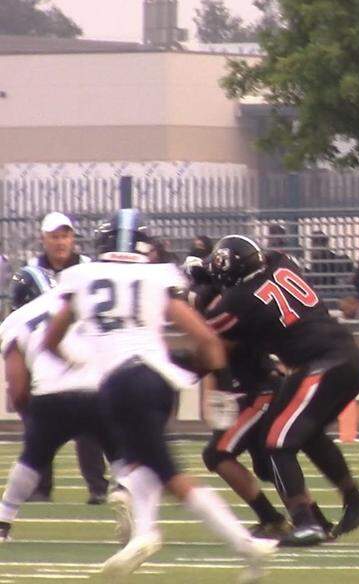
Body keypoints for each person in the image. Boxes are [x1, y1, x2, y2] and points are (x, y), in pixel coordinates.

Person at [41, 210, 276, 579]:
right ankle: (145, 531)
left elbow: (51, 340)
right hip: (157, 379)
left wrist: (78, 364)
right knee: (142, 460)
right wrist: (222, 387)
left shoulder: (84, 277)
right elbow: (207, 339)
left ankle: (247, 547)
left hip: (120, 383)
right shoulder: (156, 276)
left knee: (169, 473)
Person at [205, 235, 359, 546]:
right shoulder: (281, 261)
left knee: (277, 442)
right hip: (347, 356)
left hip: (322, 363)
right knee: (306, 434)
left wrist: (198, 294)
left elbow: (209, 329)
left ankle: (306, 522)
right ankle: (354, 500)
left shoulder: (239, 300)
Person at [0, 267, 119, 542]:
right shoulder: (75, 299)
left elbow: (17, 390)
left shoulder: (15, 320)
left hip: (52, 393)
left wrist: (32, 421)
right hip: (96, 385)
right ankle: (126, 494)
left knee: (31, 461)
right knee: (122, 454)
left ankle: (4, 519)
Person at [189, 270, 292, 541]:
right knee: (266, 466)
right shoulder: (237, 305)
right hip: (255, 391)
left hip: (260, 393)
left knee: (218, 453)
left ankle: (283, 518)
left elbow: (209, 359)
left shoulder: (227, 314)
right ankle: (300, 518)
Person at [26, 211, 106, 505]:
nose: (61, 242)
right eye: (55, 236)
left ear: (73, 238)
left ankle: (98, 487)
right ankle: (40, 488)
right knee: (41, 426)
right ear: (43, 239)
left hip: (83, 354)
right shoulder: (31, 272)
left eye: (65, 236)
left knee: (89, 425)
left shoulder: (89, 269)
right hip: (44, 356)